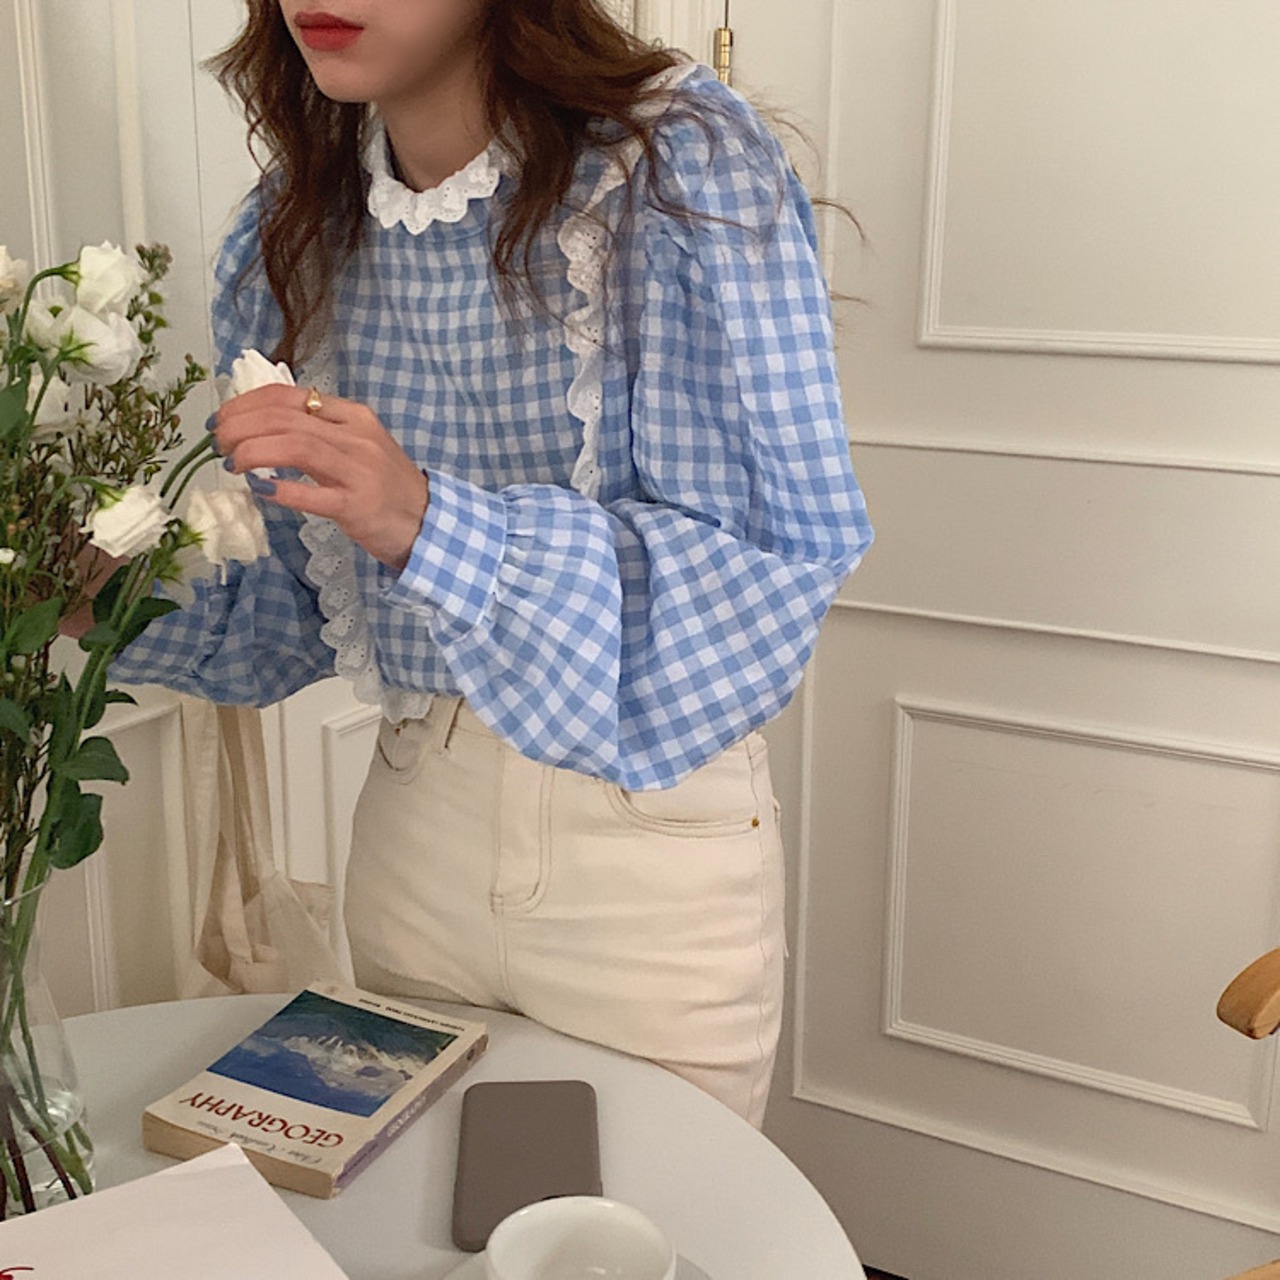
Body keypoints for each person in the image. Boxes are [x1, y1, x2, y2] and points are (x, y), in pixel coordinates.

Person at [112, 0, 873, 1128]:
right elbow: (300, 609)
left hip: (643, 850)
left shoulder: (674, 166)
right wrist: (90, 594)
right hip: (412, 832)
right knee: (411, 1213)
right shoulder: (298, 219)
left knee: (643, 1213)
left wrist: (425, 520)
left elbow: (759, 573)